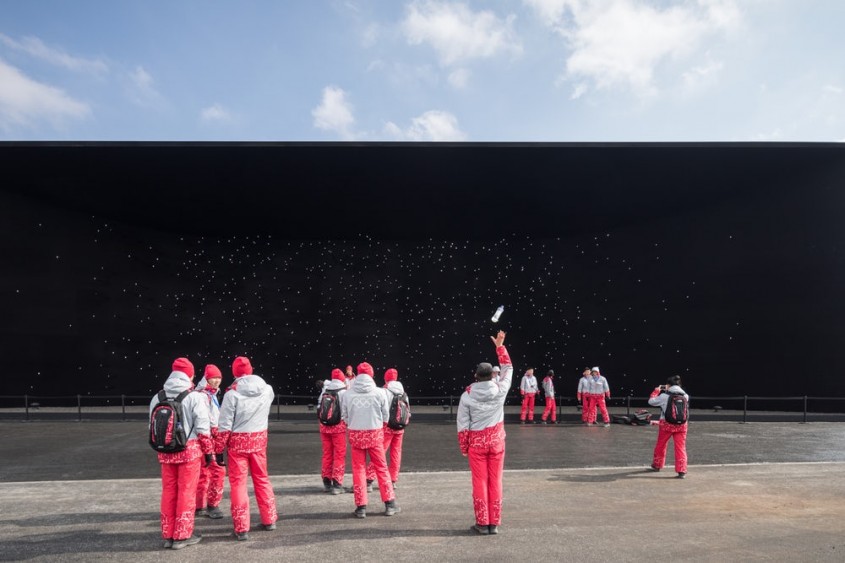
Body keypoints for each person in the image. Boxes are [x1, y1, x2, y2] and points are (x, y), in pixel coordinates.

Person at [150, 357, 212, 550]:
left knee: (169, 491)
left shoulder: (158, 397)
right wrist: (209, 453)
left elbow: (151, 427)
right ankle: (182, 535)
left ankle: (168, 534)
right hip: (189, 452)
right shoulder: (194, 397)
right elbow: (203, 428)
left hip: (166, 451)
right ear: (190, 374)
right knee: (186, 492)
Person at [456, 330, 513, 536]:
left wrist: (464, 447)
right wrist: (499, 347)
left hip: (477, 445)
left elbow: (463, 424)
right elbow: (508, 368)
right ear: (492, 375)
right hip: (497, 442)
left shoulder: (467, 395)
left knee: (480, 481)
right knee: (495, 480)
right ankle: (494, 523)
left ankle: (483, 522)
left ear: (475, 376)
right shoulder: (500, 389)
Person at [216, 356, 277, 541]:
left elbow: (225, 425)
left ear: (234, 372)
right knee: (262, 479)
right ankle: (269, 519)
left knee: (238, 484)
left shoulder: (231, 394)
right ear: (251, 369)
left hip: (238, 444)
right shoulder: (267, 390)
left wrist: (219, 449)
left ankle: (242, 527)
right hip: (259, 440)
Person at [341, 362, 399, 518]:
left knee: (358, 469)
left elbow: (344, 416)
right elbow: (386, 415)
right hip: (375, 434)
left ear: (358, 374)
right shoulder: (380, 393)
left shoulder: (348, 394)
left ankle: (361, 507)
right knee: (381, 467)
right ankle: (390, 504)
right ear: (372, 375)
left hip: (355, 435)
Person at [366, 368, 408, 491]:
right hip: (400, 428)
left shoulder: (384, 391)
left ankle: (369, 480)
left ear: (385, 378)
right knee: (396, 453)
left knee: (379, 454)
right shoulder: (403, 393)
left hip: (387, 428)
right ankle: (393, 480)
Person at [195, 364, 226, 520]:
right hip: (208, 437)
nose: (217, 381)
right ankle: (212, 505)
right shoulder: (203, 396)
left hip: (202, 437)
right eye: (214, 377)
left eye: (219, 378)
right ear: (206, 378)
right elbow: (207, 420)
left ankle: (199, 505)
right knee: (217, 471)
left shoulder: (207, 394)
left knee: (203, 472)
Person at [648, 375, 690, 478]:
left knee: (661, 445)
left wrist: (656, 391)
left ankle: (657, 465)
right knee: (680, 448)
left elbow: (651, 402)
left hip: (666, 425)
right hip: (681, 425)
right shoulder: (685, 396)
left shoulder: (664, 396)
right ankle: (682, 470)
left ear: (668, 385)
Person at [318, 368, 348, 494]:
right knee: (339, 454)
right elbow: (346, 411)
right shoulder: (344, 392)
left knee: (327, 454)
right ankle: (337, 483)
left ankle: (326, 481)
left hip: (324, 427)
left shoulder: (325, 390)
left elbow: (319, 407)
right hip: (339, 427)